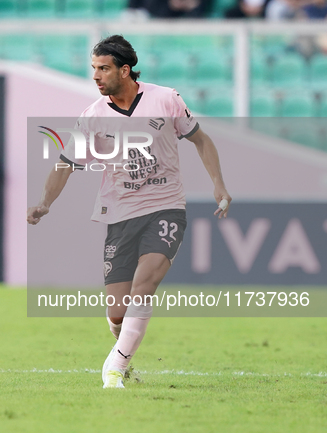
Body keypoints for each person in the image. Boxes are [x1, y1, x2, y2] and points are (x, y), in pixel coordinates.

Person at [26, 35, 232, 389]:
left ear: (125, 70)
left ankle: (114, 370)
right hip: (119, 214)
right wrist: (45, 202)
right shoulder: (93, 117)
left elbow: (200, 139)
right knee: (117, 312)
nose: (96, 76)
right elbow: (65, 164)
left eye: (103, 68)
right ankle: (123, 347)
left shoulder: (165, 99)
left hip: (165, 207)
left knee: (145, 284)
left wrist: (219, 184)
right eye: (93, 69)